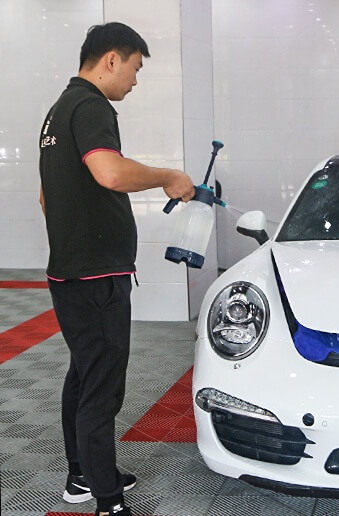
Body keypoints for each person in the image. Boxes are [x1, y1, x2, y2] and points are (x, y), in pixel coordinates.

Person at [38, 22, 195, 516]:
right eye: (135, 67)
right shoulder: (91, 106)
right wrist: (168, 176)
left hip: (69, 271)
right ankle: (108, 502)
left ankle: (83, 476)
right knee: (102, 386)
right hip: (95, 277)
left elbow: (46, 197)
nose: (135, 79)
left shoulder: (59, 110)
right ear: (111, 59)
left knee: (84, 375)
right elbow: (108, 171)